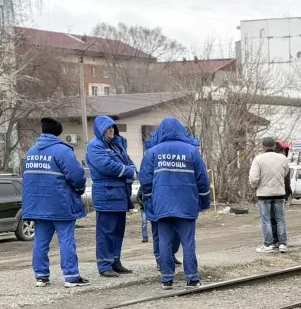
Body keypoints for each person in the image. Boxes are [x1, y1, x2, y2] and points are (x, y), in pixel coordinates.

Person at [140, 117, 211, 289]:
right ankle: (192, 278)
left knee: (164, 241)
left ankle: (167, 279)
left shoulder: (153, 152)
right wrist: (204, 201)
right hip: (186, 203)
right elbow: (202, 179)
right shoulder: (191, 151)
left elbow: (145, 180)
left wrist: (149, 201)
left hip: (162, 204)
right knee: (188, 242)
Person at [21, 117, 90, 288]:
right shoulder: (62, 151)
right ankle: (71, 276)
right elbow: (77, 176)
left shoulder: (31, 152)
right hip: (60, 203)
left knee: (40, 241)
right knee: (66, 239)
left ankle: (41, 276)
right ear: (58, 132)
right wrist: (80, 190)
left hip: (37, 204)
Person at [86, 115, 137, 278]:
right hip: (106, 194)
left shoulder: (117, 146)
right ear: (100, 130)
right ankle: (104, 265)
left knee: (117, 231)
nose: (111, 130)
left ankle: (115, 261)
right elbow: (107, 166)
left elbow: (130, 163)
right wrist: (128, 172)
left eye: (113, 127)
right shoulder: (95, 146)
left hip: (120, 193)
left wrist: (130, 170)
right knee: (106, 232)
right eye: (108, 128)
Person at [139, 126, 182, 266]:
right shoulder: (152, 153)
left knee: (175, 232)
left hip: (173, 198)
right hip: (155, 198)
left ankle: (170, 254)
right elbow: (145, 177)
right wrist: (149, 195)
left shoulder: (171, 151)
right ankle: (161, 259)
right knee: (158, 232)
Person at [249, 137, 291, 253]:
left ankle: (268, 244)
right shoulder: (282, 158)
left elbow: (254, 178)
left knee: (266, 220)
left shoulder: (258, 159)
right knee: (280, 219)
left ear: (263, 147)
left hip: (264, 194)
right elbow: (286, 172)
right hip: (279, 193)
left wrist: (255, 186)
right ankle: (282, 244)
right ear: (274, 146)